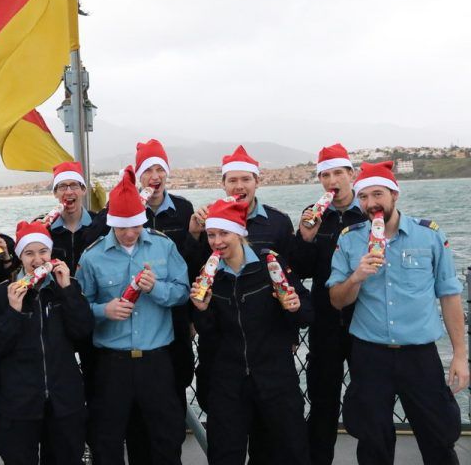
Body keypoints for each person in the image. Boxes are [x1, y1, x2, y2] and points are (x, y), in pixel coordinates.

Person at [327, 160, 469, 465]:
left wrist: (459, 354)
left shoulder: (428, 235)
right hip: (369, 355)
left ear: (394, 195)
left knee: (438, 437)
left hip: (420, 355)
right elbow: (337, 300)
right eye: (364, 197)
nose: (370, 204)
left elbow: (449, 295)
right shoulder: (349, 238)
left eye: (378, 195)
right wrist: (356, 277)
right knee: (373, 441)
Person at [83, 140, 195, 465]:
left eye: (135, 225)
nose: (130, 233)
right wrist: (105, 311)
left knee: (164, 440)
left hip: (156, 362)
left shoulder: (163, 247)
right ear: (111, 223)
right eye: (121, 227)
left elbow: (182, 291)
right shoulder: (92, 259)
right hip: (112, 364)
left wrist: (156, 288)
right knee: (107, 442)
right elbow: (79, 309)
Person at [189, 145, 295, 464]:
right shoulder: (207, 223)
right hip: (222, 354)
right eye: (232, 180)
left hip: (267, 351)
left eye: (245, 179)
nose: (239, 186)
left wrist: (290, 332)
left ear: (256, 182)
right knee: (227, 441)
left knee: (271, 441)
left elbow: (292, 281)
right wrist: (193, 233)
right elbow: (194, 268)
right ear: (223, 184)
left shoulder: (277, 223)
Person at [0, 221, 93, 465]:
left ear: (51, 254)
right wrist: (13, 312)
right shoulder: (2, 293)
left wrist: (68, 291)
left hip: (63, 401)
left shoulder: (66, 286)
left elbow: (83, 331)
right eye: (29, 253)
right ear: (20, 256)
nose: (37, 259)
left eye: (43, 252)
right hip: (20, 403)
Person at [290, 143, 366, 465]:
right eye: (325, 175)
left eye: (338, 173)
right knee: (323, 403)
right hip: (325, 321)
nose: (332, 180)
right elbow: (301, 269)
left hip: (366, 320)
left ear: (351, 174)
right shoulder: (313, 214)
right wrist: (305, 238)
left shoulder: (367, 211)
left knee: (369, 401)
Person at [46, 161, 96, 272]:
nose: (69, 192)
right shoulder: (44, 227)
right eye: (62, 186)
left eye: (74, 185)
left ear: (84, 190)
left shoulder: (98, 223)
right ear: (55, 193)